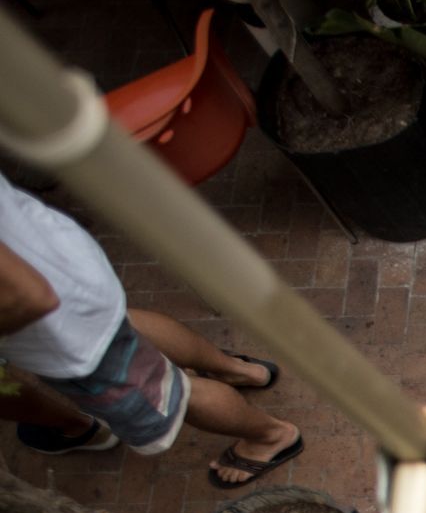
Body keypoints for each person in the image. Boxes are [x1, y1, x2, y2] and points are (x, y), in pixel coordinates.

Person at [0, 172, 299, 488]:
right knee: (124, 325)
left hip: (57, 331)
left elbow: (25, 297)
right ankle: (239, 370)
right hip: (56, 261)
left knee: (176, 392)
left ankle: (270, 436)